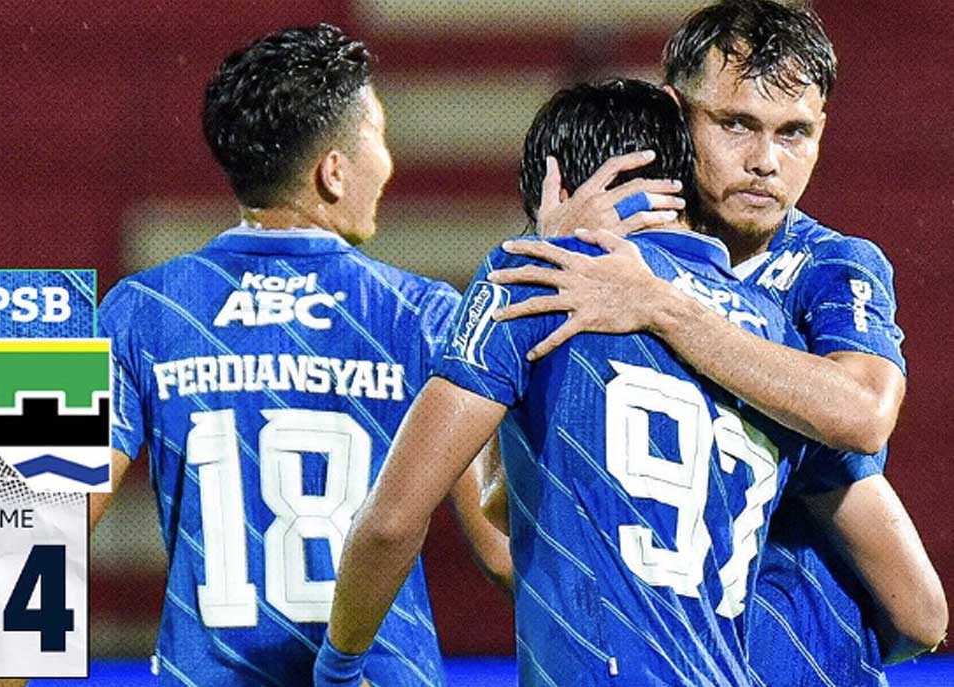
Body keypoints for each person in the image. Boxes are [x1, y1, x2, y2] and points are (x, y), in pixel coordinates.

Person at [0, 24, 512, 687]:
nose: (389, 163)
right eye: (377, 136)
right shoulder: (420, 316)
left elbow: (41, 530)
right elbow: (500, 552)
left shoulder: (145, 311)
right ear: (333, 171)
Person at [317, 77, 850, 687]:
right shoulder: (774, 334)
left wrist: (338, 669)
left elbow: (397, 519)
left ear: (561, 190)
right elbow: (919, 610)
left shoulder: (539, 279)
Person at [483, 1, 946, 682]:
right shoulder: (607, 263)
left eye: (794, 133)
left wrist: (665, 310)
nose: (765, 162)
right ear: (676, 114)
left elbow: (863, 413)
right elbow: (501, 500)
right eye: (735, 124)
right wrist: (558, 260)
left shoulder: (828, 266)